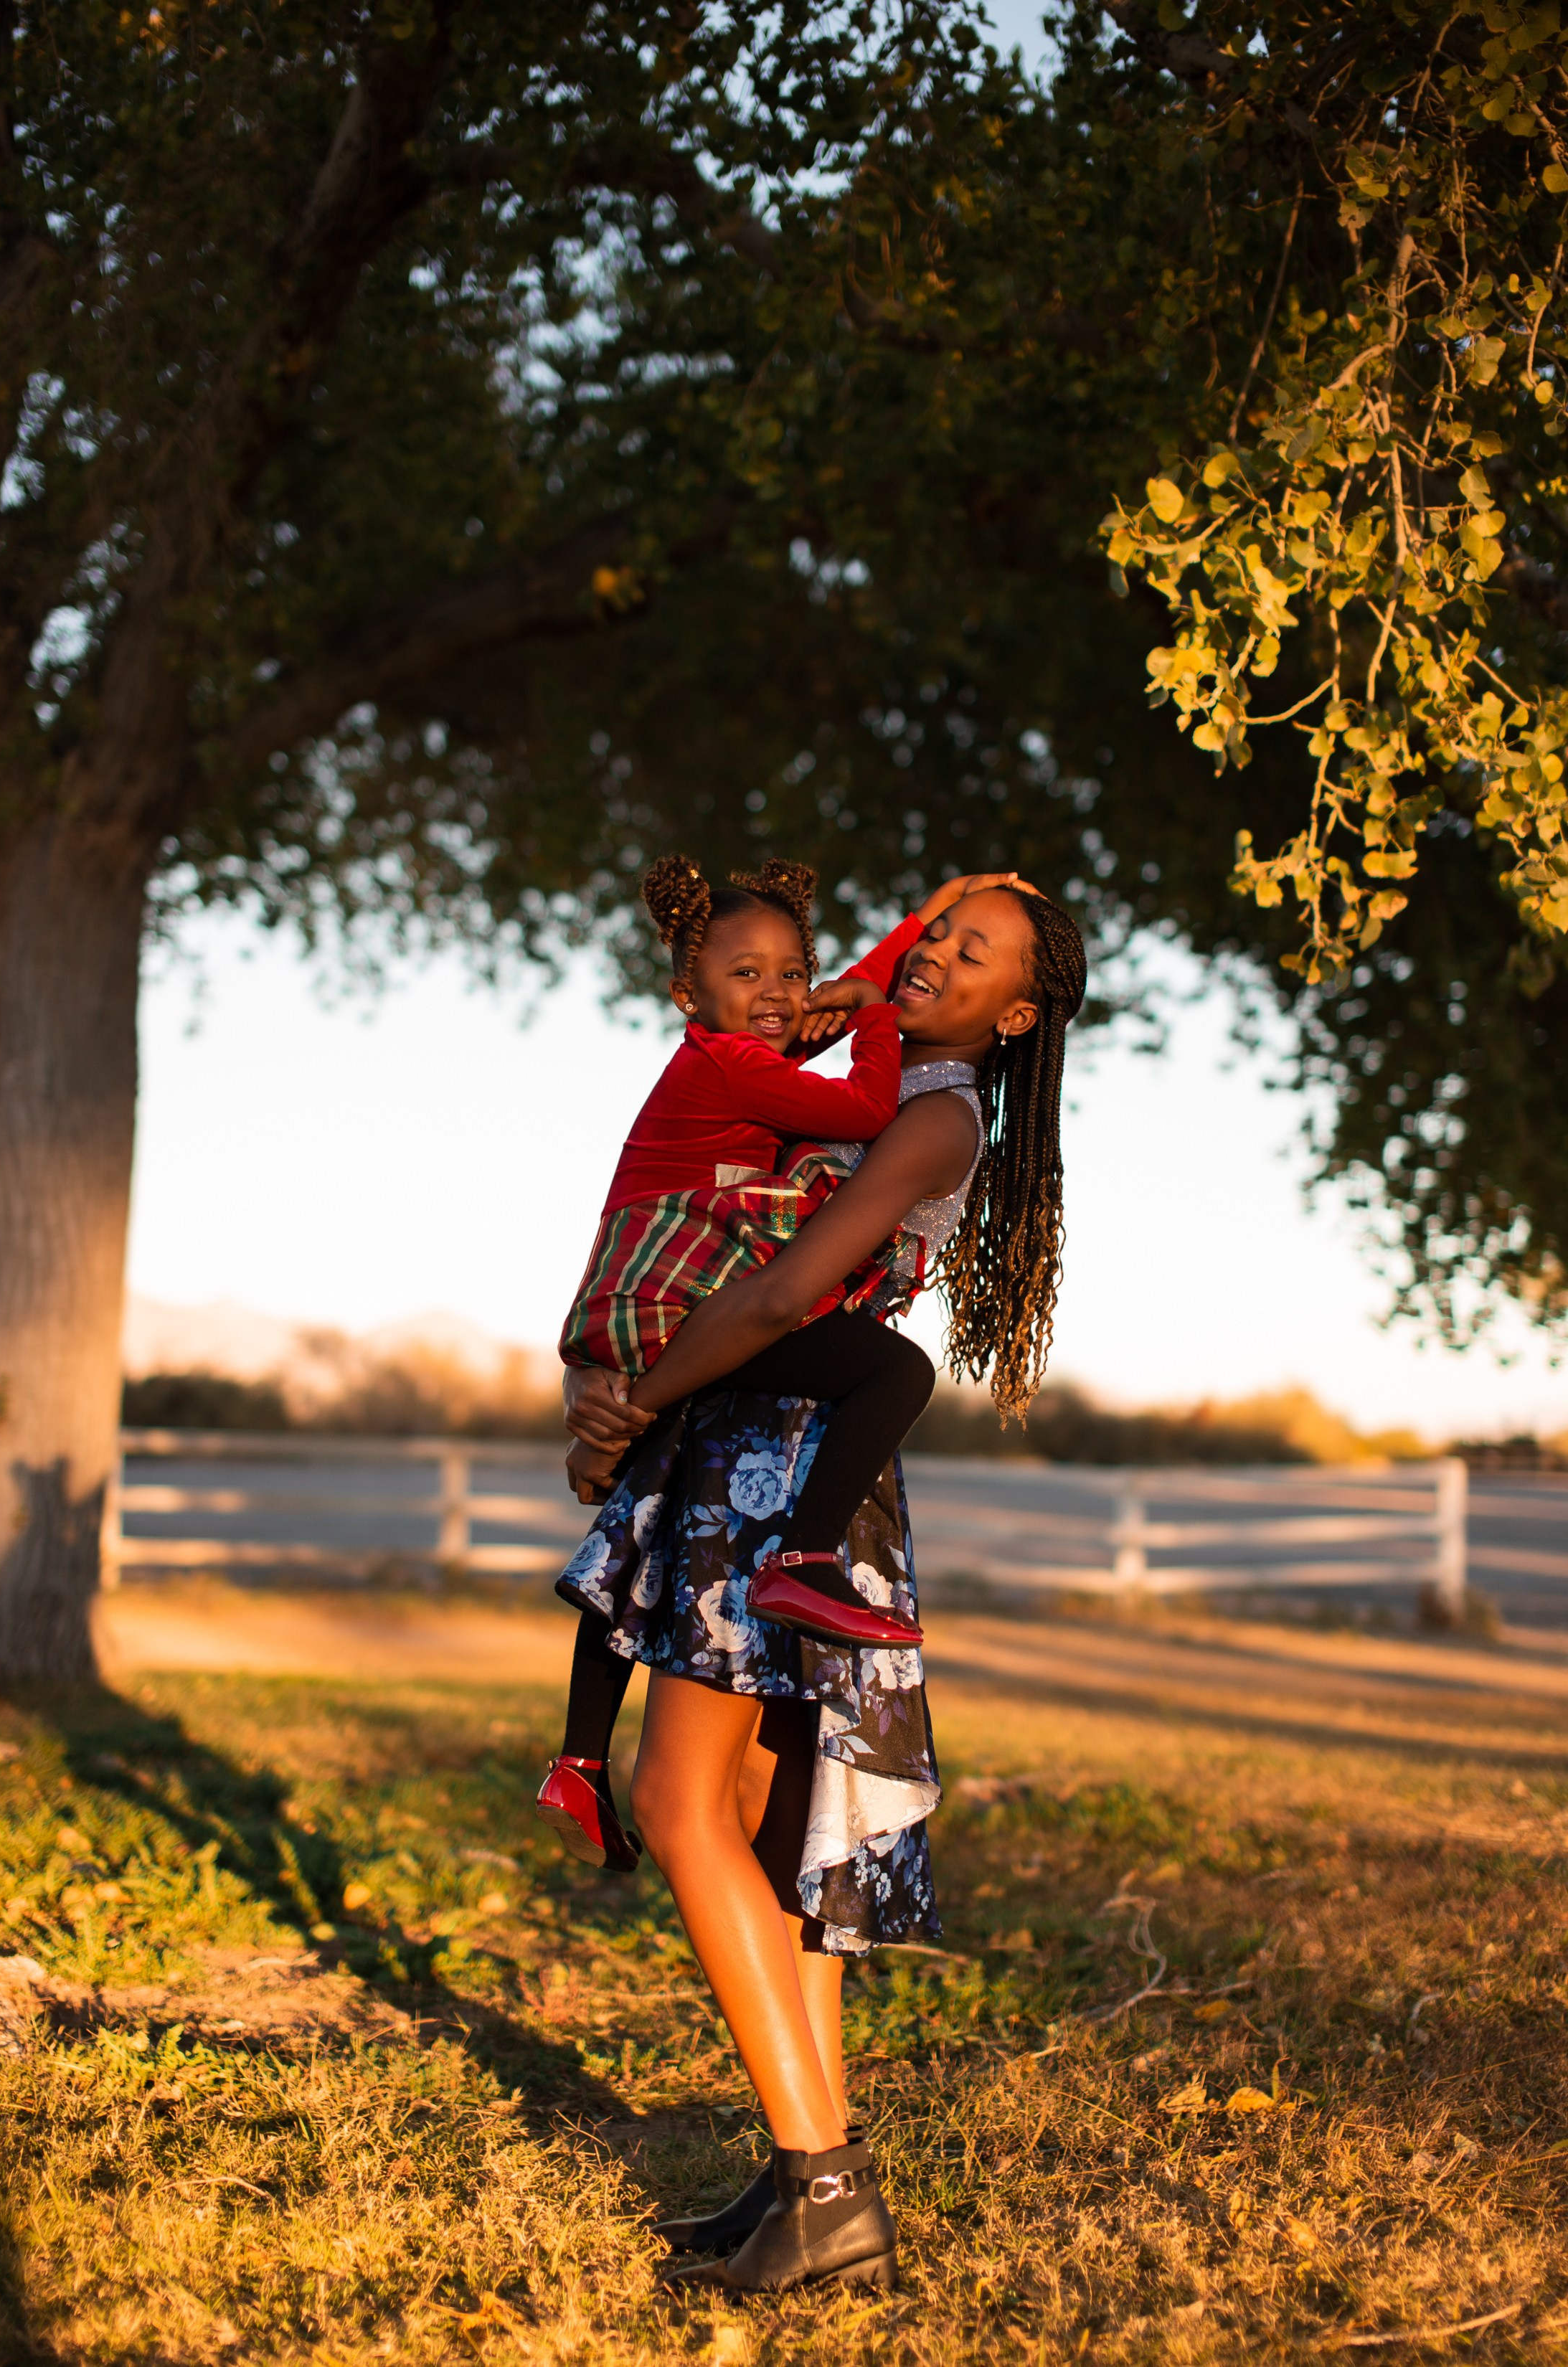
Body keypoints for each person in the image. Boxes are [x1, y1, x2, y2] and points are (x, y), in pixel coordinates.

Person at [559, 882, 1087, 2293]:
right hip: (784, 1454)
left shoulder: (929, 1116)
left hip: (767, 1456)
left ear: (1017, 1014)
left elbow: (782, 1298)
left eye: (971, 956)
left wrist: (632, 1405)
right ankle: (809, 2175)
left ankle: (823, 2184)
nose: (931, 956)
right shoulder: (896, 1084)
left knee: (677, 1805)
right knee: (758, 1816)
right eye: (932, 935)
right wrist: (913, 934)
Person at [539, 856, 1023, 1876]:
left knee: (636, 1537)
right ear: (690, 992)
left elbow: (838, 994)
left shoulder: (868, 1084)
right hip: (710, 1323)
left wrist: (918, 919)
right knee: (887, 1379)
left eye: (790, 976)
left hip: (696, 1321)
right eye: (750, 977)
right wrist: (882, 1008)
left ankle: (579, 1756)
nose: (781, 996)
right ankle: (796, 1568)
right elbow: (845, 1106)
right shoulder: (743, 1060)